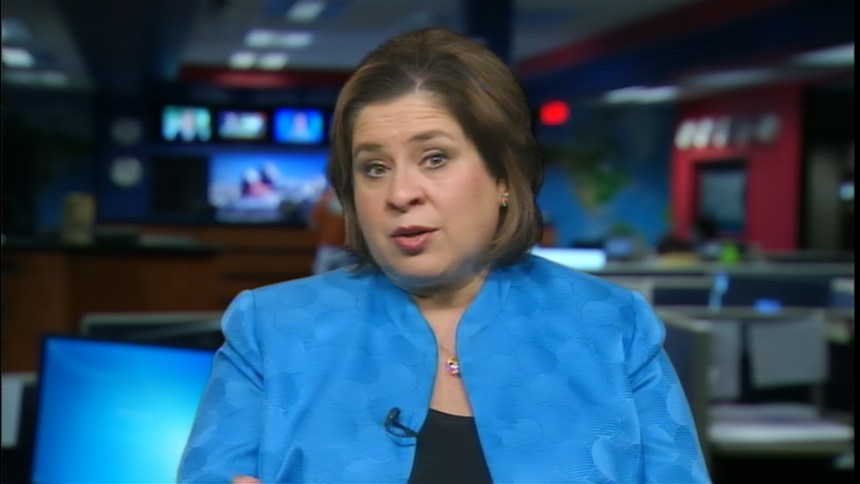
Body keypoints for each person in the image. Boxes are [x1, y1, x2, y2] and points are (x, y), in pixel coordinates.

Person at [178, 27, 710, 483]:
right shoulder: (270, 330)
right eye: (374, 167)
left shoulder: (614, 327)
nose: (400, 193)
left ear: (504, 177)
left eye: (434, 158)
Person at [309, 185, 356, 274]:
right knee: (344, 278)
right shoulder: (351, 201)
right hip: (344, 249)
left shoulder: (322, 201)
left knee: (320, 277)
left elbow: (313, 226)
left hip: (329, 248)